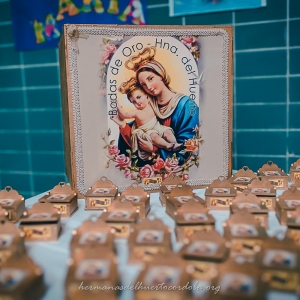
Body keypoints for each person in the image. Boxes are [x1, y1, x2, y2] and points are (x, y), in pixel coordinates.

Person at [111, 46, 199, 166]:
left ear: (161, 75)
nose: (149, 87)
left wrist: (154, 150)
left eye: (151, 79)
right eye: (143, 85)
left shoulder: (187, 106)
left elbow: (189, 148)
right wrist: (123, 126)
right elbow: (136, 129)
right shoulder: (148, 105)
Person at [117, 77, 181, 160]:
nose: (137, 102)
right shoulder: (137, 112)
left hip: (157, 126)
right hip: (148, 131)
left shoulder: (152, 104)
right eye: (133, 102)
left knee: (168, 132)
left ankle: (174, 144)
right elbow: (124, 115)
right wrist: (117, 105)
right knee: (155, 137)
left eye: (139, 97)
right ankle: (167, 145)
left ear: (146, 95)